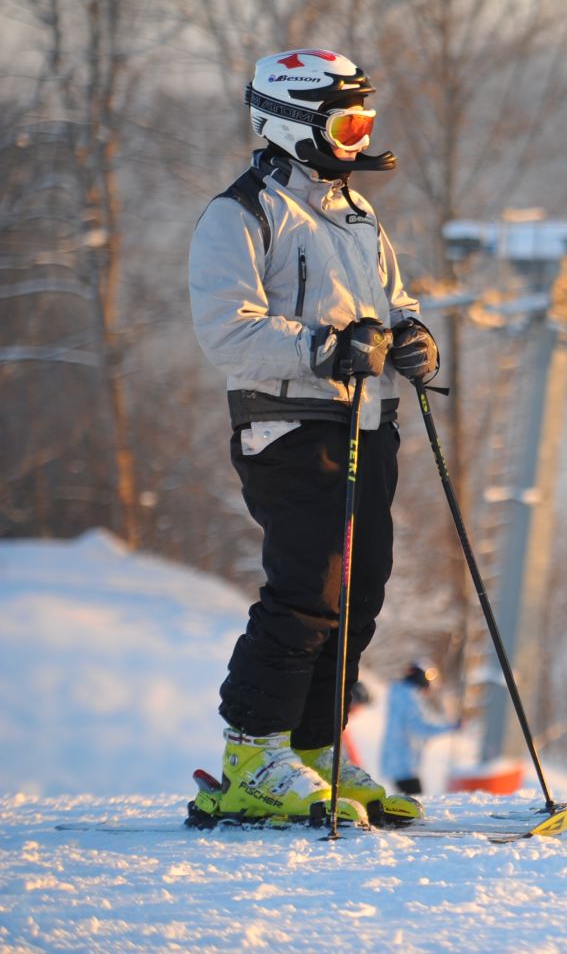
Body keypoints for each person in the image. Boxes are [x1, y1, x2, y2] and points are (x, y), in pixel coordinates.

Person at [187, 49, 439, 826]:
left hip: (368, 420)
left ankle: (314, 744)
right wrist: (325, 349)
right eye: (346, 123)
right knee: (309, 586)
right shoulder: (244, 213)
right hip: (288, 424)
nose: (360, 139)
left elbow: (392, 301)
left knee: (361, 589)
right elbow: (227, 329)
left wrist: (411, 335)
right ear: (291, 124)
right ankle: (252, 753)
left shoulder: (359, 216)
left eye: (365, 122)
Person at [381, 662, 460, 796]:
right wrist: (450, 727)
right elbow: (419, 728)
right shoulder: (409, 698)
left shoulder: (401, 694)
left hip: (399, 762)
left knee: (411, 801)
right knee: (415, 802)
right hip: (403, 763)